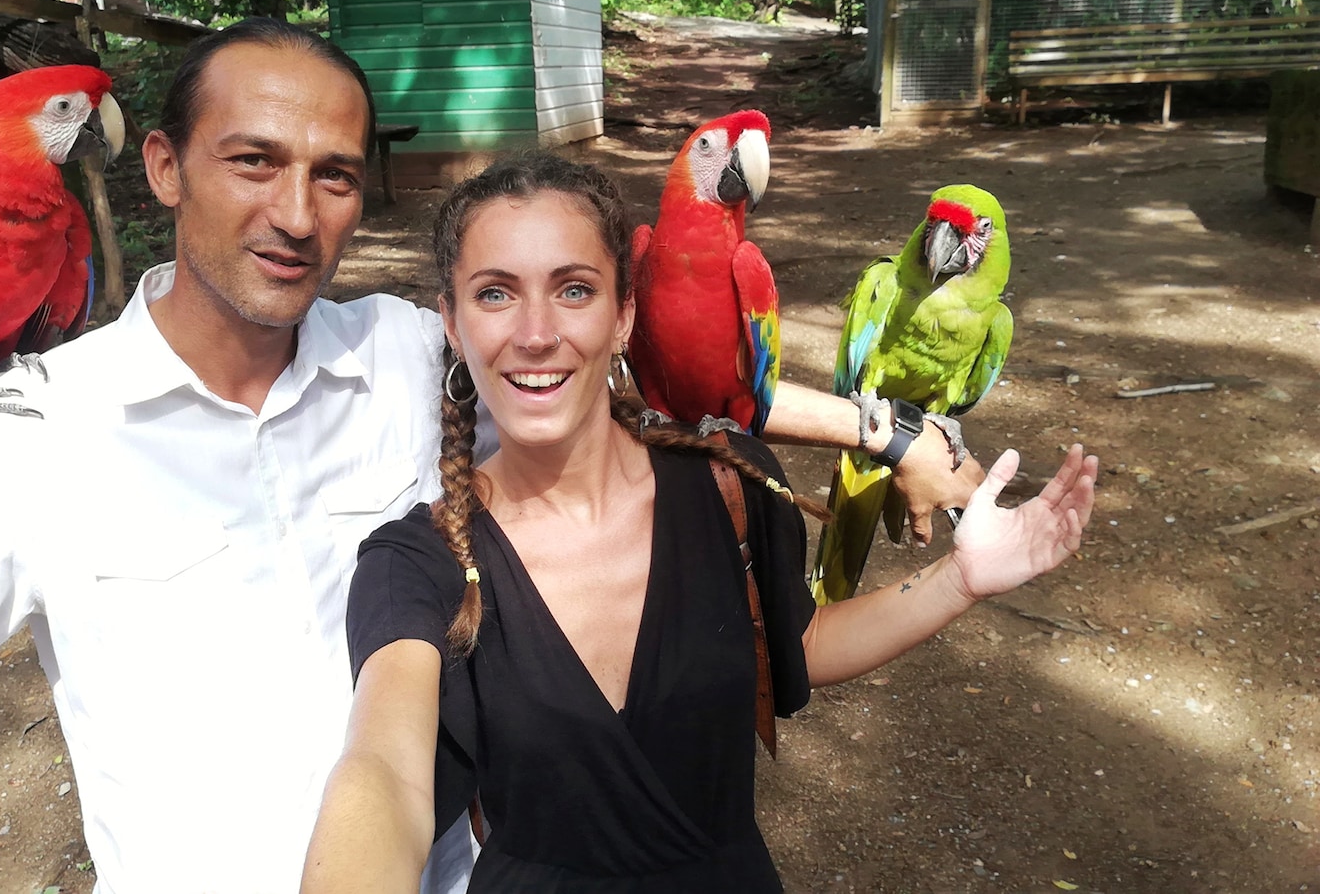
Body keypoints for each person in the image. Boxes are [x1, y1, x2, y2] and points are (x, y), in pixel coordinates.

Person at [0, 21, 980, 893]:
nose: (295, 213)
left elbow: (641, 393)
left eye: (334, 175)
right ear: (164, 168)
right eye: (253, 161)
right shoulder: (21, 439)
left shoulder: (408, 353)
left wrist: (890, 435)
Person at [300, 153, 1098, 893]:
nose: (536, 333)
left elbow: (800, 643)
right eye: (495, 293)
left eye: (574, 290)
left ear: (624, 315)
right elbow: (383, 773)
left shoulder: (730, 483)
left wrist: (960, 578)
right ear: (451, 321)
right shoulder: (419, 561)